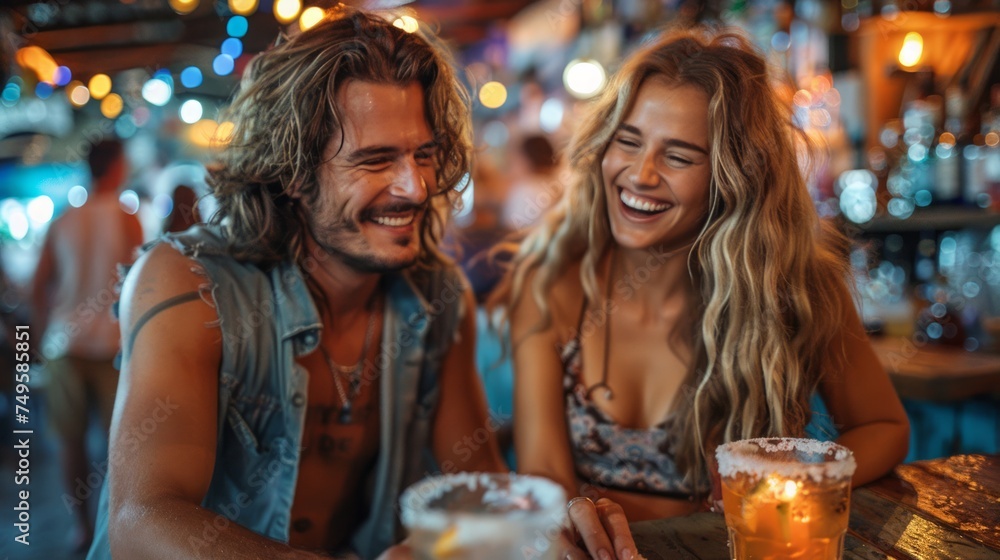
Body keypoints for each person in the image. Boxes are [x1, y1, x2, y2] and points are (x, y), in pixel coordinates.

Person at [85, 8, 507, 560]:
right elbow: (143, 522)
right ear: (294, 173)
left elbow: (477, 485)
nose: (415, 187)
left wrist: (532, 518)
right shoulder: (186, 284)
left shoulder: (436, 295)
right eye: (376, 160)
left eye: (423, 154)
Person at [492, 27, 910, 557]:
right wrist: (567, 519)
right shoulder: (551, 286)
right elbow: (545, 473)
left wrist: (797, 479)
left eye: (679, 156)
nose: (639, 174)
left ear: (734, 176)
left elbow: (884, 426)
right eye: (628, 140)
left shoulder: (797, 286)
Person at [31, 138, 146, 551]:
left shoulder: (64, 219)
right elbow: (140, 282)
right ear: (115, 167)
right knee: (120, 443)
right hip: (113, 346)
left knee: (70, 439)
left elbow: (38, 284)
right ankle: (112, 528)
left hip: (64, 344)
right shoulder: (127, 218)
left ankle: (79, 526)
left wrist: (45, 335)